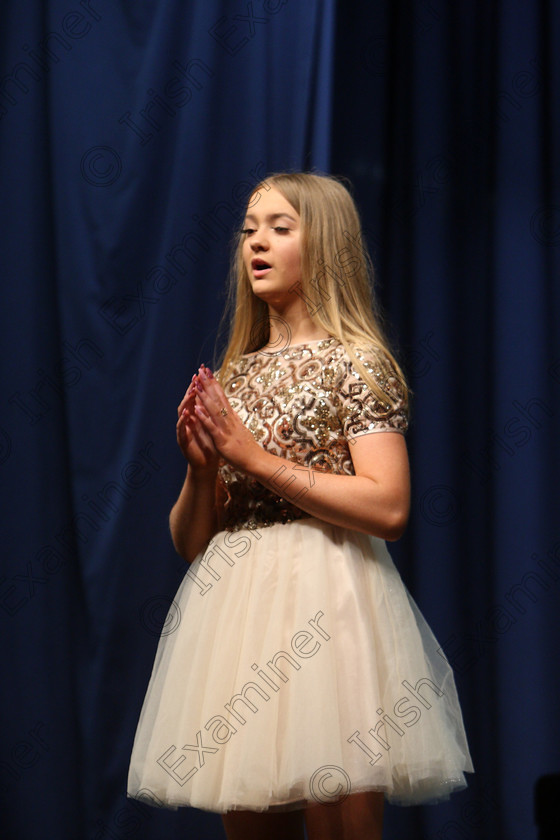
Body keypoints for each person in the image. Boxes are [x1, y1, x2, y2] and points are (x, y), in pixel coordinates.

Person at [127, 172, 473, 840]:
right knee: (251, 810)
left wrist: (253, 458)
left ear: (325, 245)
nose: (256, 242)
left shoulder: (357, 364)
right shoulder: (236, 373)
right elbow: (191, 541)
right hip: (238, 612)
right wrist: (202, 471)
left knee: (340, 817)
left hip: (331, 600)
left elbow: (389, 506)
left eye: (280, 228)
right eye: (249, 229)